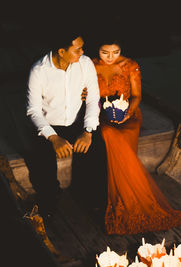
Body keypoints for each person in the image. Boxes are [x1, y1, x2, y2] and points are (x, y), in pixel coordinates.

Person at [90, 36, 181, 235]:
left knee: (117, 139)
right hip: (101, 116)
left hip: (129, 117)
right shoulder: (89, 65)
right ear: (97, 49)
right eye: (104, 52)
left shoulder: (130, 65)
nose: (110, 57)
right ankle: (114, 200)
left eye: (115, 52)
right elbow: (85, 94)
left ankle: (132, 201)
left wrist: (127, 114)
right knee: (107, 133)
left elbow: (137, 96)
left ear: (120, 49)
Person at [24, 30, 107, 219]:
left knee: (97, 147)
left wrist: (87, 131)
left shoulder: (85, 64)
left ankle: (93, 198)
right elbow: (33, 110)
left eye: (82, 48)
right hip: (49, 125)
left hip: (76, 121)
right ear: (62, 51)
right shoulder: (39, 71)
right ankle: (49, 199)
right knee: (40, 158)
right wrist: (53, 138)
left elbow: (94, 98)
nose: (82, 52)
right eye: (77, 49)